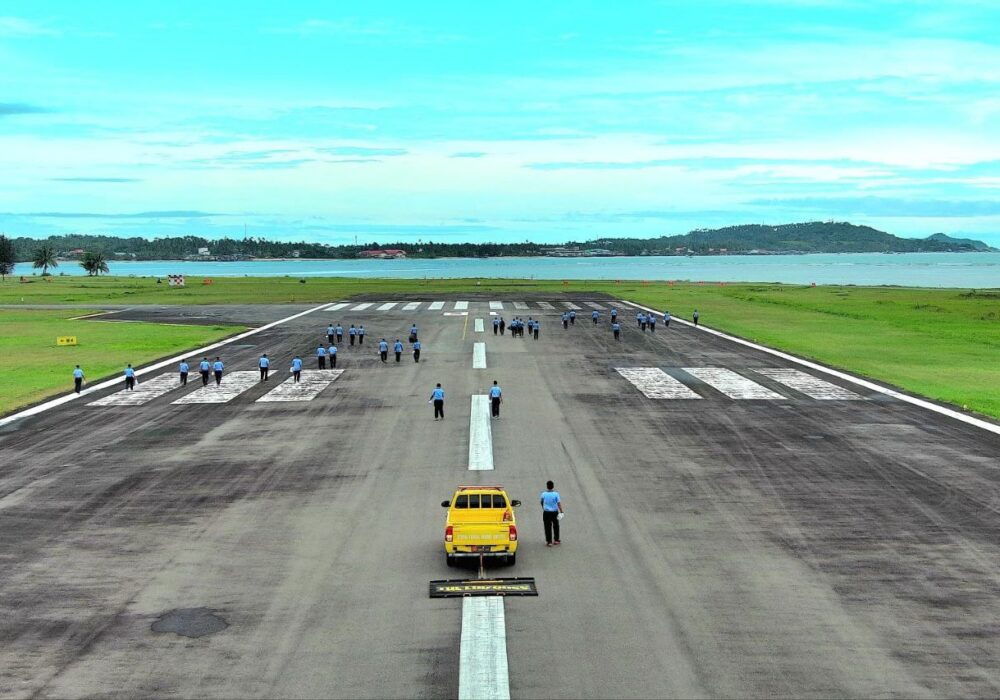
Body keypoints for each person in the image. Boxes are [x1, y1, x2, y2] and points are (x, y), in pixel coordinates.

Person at [540, 480, 563, 546]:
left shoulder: (543, 494)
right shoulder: (556, 494)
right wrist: (561, 511)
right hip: (555, 512)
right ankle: (556, 540)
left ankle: (549, 541)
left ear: (547, 486)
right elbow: (558, 503)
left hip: (546, 512)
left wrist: (544, 508)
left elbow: (541, 502)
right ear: (553, 486)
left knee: (547, 527)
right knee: (556, 526)